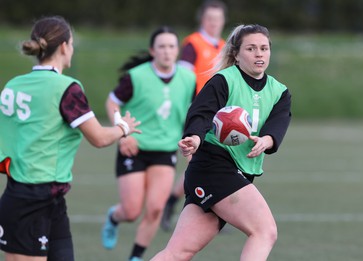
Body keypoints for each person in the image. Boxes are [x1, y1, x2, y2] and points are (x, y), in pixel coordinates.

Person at [0, 16, 141, 261]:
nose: (72, 49)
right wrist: (123, 128)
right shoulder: (67, 88)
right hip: (32, 200)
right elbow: (99, 138)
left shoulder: (14, 85)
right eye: (72, 44)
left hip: (45, 198)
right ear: (64, 47)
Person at [151, 24, 292, 261]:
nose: (259, 54)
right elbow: (201, 113)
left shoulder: (279, 92)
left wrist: (266, 140)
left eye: (264, 48)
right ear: (236, 54)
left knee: (178, 253)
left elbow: (278, 124)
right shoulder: (224, 80)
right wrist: (195, 137)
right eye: (251, 48)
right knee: (264, 231)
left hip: (235, 172)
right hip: (214, 167)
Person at [100, 26, 196, 261]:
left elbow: (193, 113)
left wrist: (192, 140)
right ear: (153, 50)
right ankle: (114, 217)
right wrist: (124, 133)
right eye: (161, 46)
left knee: (155, 209)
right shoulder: (136, 76)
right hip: (134, 148)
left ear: (178, 51)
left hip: (164, 151)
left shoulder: (189, 78)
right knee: (132, 211)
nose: (167, 51)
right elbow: (112, 104)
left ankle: (136, 257)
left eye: (172, 46)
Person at [161, 0, 227, 231]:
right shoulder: (192, 44)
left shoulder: (224, 46)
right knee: (197, 165)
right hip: (197, 113)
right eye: (210, 19)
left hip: (221, 118)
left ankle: (213, 210)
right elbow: (183, 79)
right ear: (202, 20)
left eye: (218, 19)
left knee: (213, 164)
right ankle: (175, 207)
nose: (214, 23)